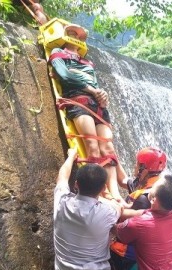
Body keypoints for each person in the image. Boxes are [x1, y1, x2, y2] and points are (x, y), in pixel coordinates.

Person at [52, 148, 122, 270]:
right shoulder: (107, 212)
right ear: (101, 190)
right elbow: (119, 207)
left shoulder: (61, 202)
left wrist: (71, 156)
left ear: (76, 185)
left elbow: (61, 177)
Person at [49, 24, 122, 201]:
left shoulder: (87, 62)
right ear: (66, 36)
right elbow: (65, 76)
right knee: (92, 145)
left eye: (78, 35)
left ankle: (116, 193)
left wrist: (102, 94)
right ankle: (101, 192)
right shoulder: (58, 53)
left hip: (97, 104)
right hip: (78, 99)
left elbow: (96, 85)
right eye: (71, 33)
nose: (75, 36)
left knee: (108, 147)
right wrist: (91, 89)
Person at [110, 146, 168, 270]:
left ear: (146, 169)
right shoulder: (149, 185)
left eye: (138, 165)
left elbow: (121, 221)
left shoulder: (145, 199)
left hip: (128, 257)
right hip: (130, 256)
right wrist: (113, 159)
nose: (135, 168)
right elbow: (123, 180)